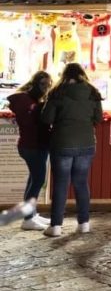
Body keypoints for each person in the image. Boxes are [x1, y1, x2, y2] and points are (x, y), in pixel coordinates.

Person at [40, 63, 102, 237]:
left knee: (61, 184)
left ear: (65, 75)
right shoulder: (92, 92)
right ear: (82, 74)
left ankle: (56, 226)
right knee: (81, 183)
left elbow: (47, 118)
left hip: (62, 143)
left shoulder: (57, 91)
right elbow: (98, 118)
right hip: (86, 144)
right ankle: (84, 224)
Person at [7, 71, 52, 229]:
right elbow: (30, 123)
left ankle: (31, 214)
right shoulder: (27, 101)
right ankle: (27, 219)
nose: (46, 88)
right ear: (34, 83)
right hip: (32, 146)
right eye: (43, 84)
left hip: (34, 145)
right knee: (37, 180)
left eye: (48, 85)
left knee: (34, 179)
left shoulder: (32, 99)